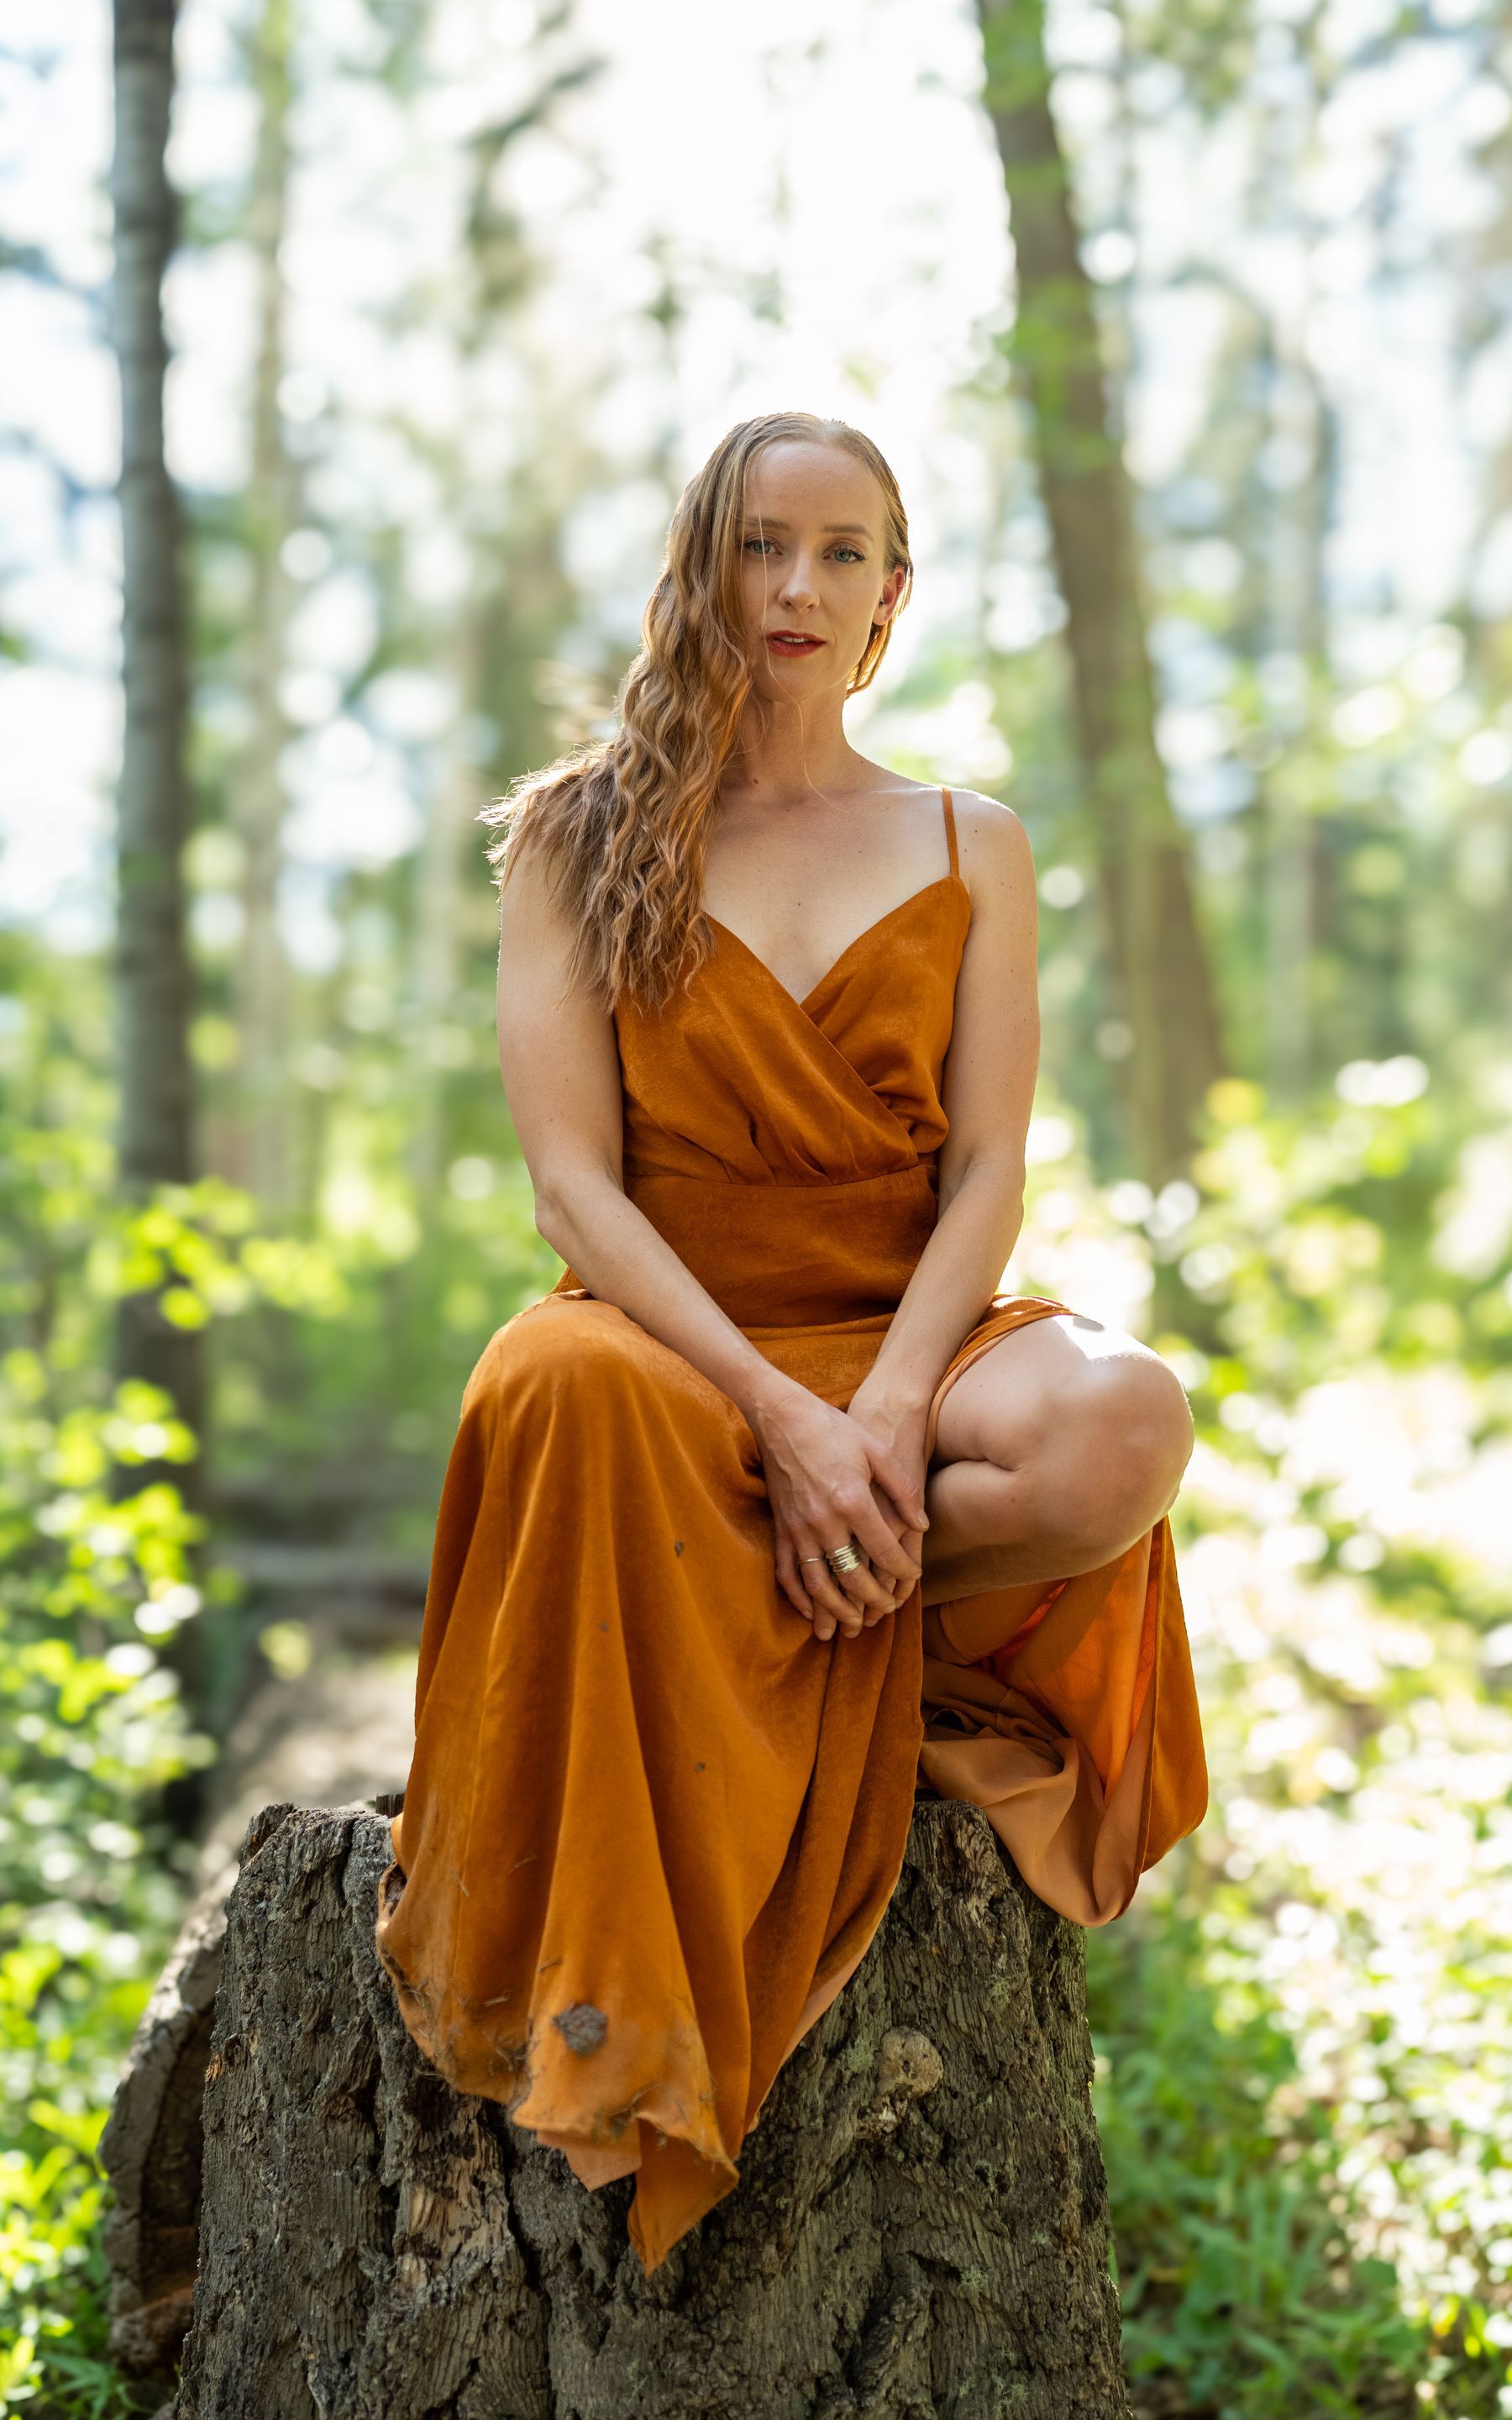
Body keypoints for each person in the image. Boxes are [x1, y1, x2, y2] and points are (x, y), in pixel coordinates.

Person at [375, 408, 1208, 2274]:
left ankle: (781, 1597)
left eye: (843, 554)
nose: (799, 587)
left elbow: (986, 1167)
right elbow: (575, 1190)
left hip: (910, 1326)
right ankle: (809, 1583)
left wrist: (888, 1410)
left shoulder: (972, 840)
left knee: (1126, 1426)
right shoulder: (581, 834)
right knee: (549, 1376)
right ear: (703, 568)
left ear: (894, 596)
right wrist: (778, 1413)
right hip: (677, 1341)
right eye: (763, 544)